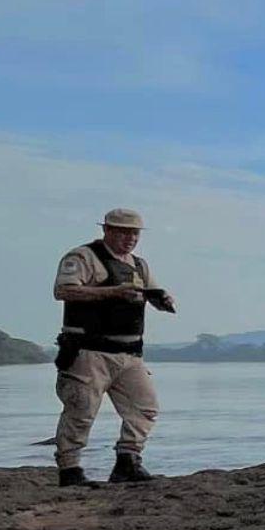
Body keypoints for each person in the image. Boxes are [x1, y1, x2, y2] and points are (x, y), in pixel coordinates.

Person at [50, 208, 176, 486]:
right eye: (122, 231)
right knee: (80, 411)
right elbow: (63, 290)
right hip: (88, 351)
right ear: (106, 230)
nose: (129, 237)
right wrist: (113, 292)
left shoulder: (139, 265)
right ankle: (70, 470)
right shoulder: (83, 257)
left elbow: (148, 292)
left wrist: (161, 298)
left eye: (134, 233)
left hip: (130, 353)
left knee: (145, 408)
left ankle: (128, 460)